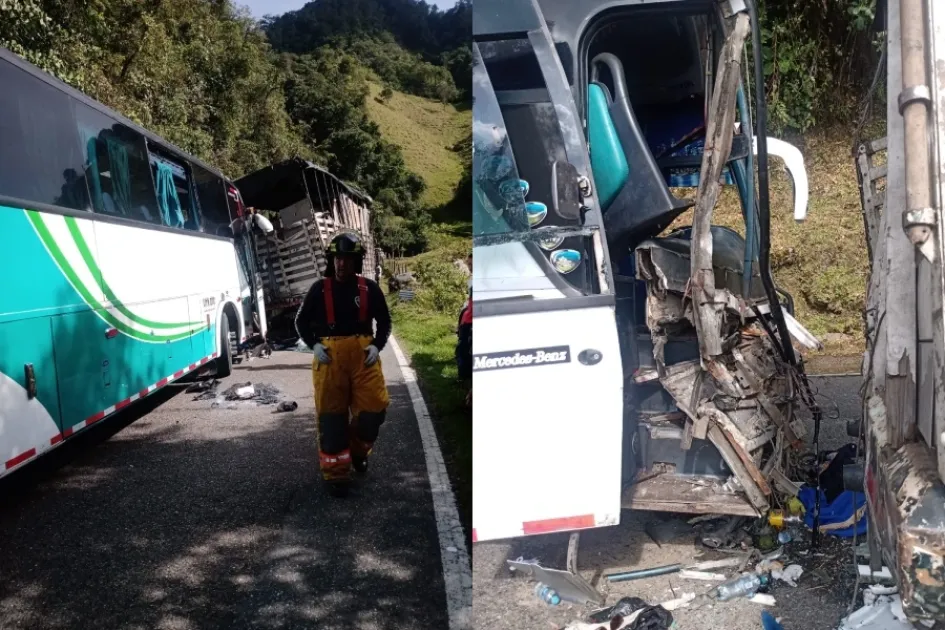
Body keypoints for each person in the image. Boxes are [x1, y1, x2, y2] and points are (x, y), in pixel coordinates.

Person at [295, 232, 392, 497]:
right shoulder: (319, 289)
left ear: (356, 262)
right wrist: (314, 344)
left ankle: (359, 453)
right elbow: (301, 322)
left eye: (347, 259)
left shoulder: (369, 289)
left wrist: (376, 345)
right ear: (331, 260)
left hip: (363, 357)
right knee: (332, 418)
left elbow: (384, 322)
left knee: (374, 411)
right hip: (329, 361)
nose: (341, 264)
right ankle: (337, 474)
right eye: (337, 258)